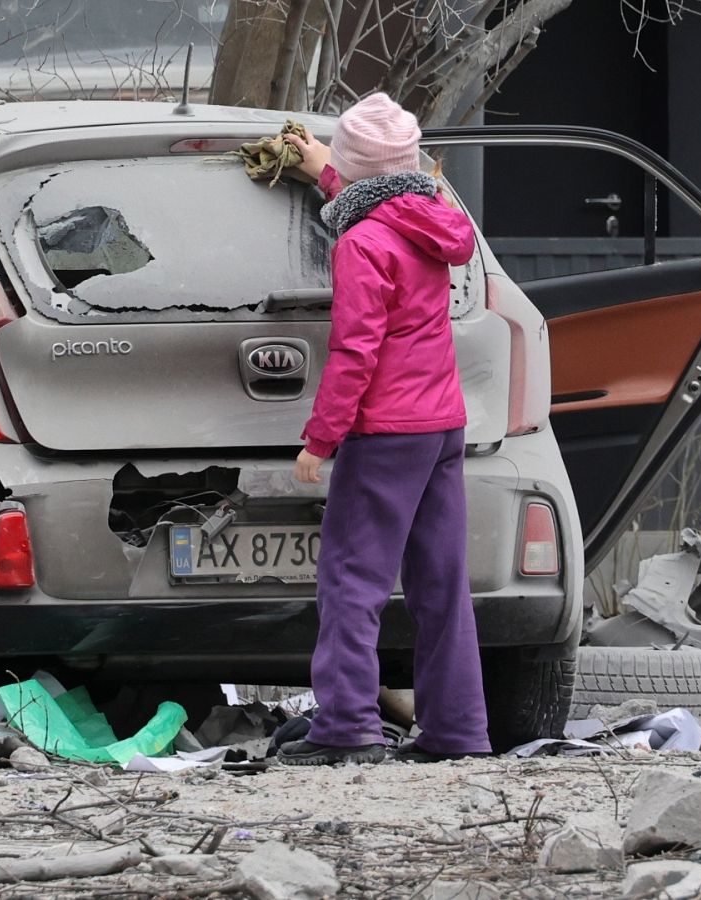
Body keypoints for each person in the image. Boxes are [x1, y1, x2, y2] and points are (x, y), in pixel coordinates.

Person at [275, 94, 491, 766]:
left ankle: (346, 729)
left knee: (351, 581)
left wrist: (321, 439)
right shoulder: (432, 219)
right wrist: (325, 173)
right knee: (441, 584)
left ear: (355, 165)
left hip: (385, 431)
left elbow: (355, 351)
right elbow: (381, 200)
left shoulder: (360, 242)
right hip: (441, 428)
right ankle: (457, 732)